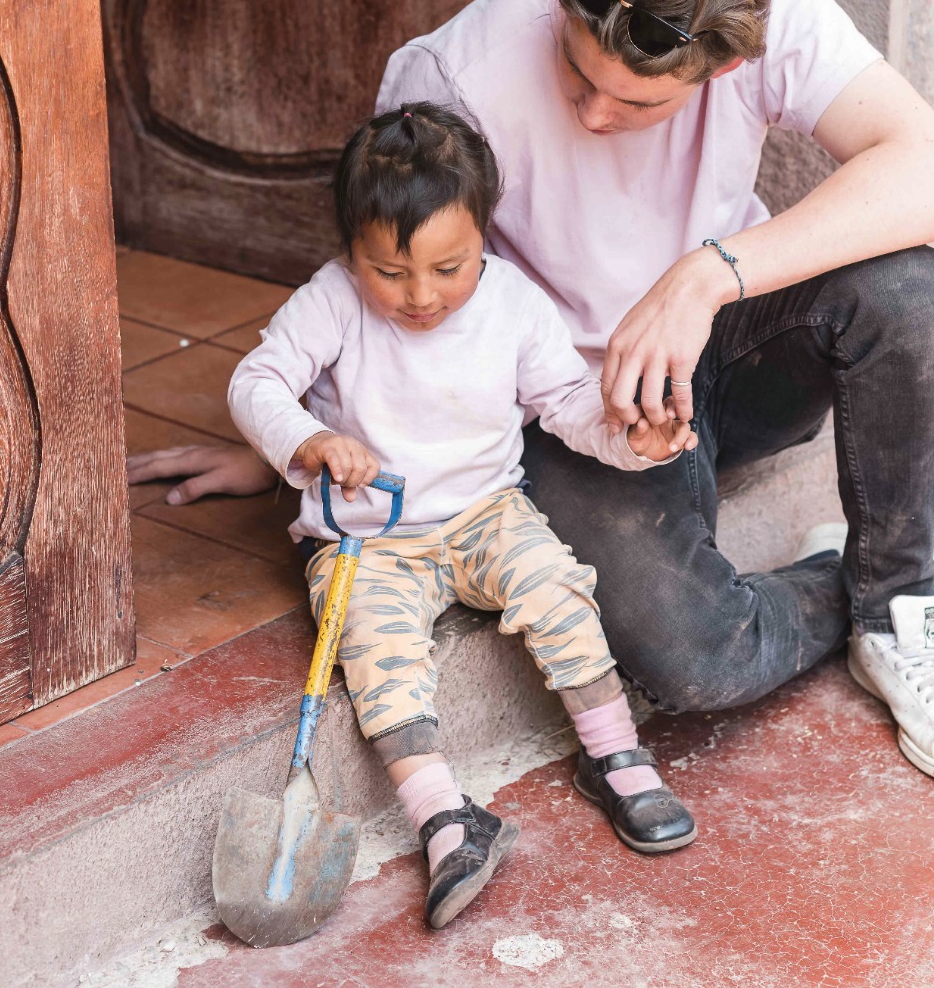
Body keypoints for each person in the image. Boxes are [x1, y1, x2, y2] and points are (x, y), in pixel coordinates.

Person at [129, 0, 934, 780]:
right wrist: (304, 435)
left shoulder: (760, 7)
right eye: (576, 73)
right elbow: (390, 271)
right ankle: (842, 584)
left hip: (730, 349)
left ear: (723, 69)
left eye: (636, 104)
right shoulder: (453, 73)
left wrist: (705, 276)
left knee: (907, 284)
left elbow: (923, 166)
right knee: (700, 663)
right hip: (571, 408)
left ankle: (903, 609)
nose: (593, 114)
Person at [227, 103, 698, 929]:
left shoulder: (511, 301)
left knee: (555, 587)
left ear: (484, 236)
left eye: (450, 268)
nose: (420, 295)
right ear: (350, 249)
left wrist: (633, 440)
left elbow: (564, 402)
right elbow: (255, 382)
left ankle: (612, 754)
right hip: (369, 536)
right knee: (375, 651)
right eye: (388, 270)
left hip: (486, 513)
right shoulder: (331, 300)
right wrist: (310, 439)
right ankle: (444, 817)